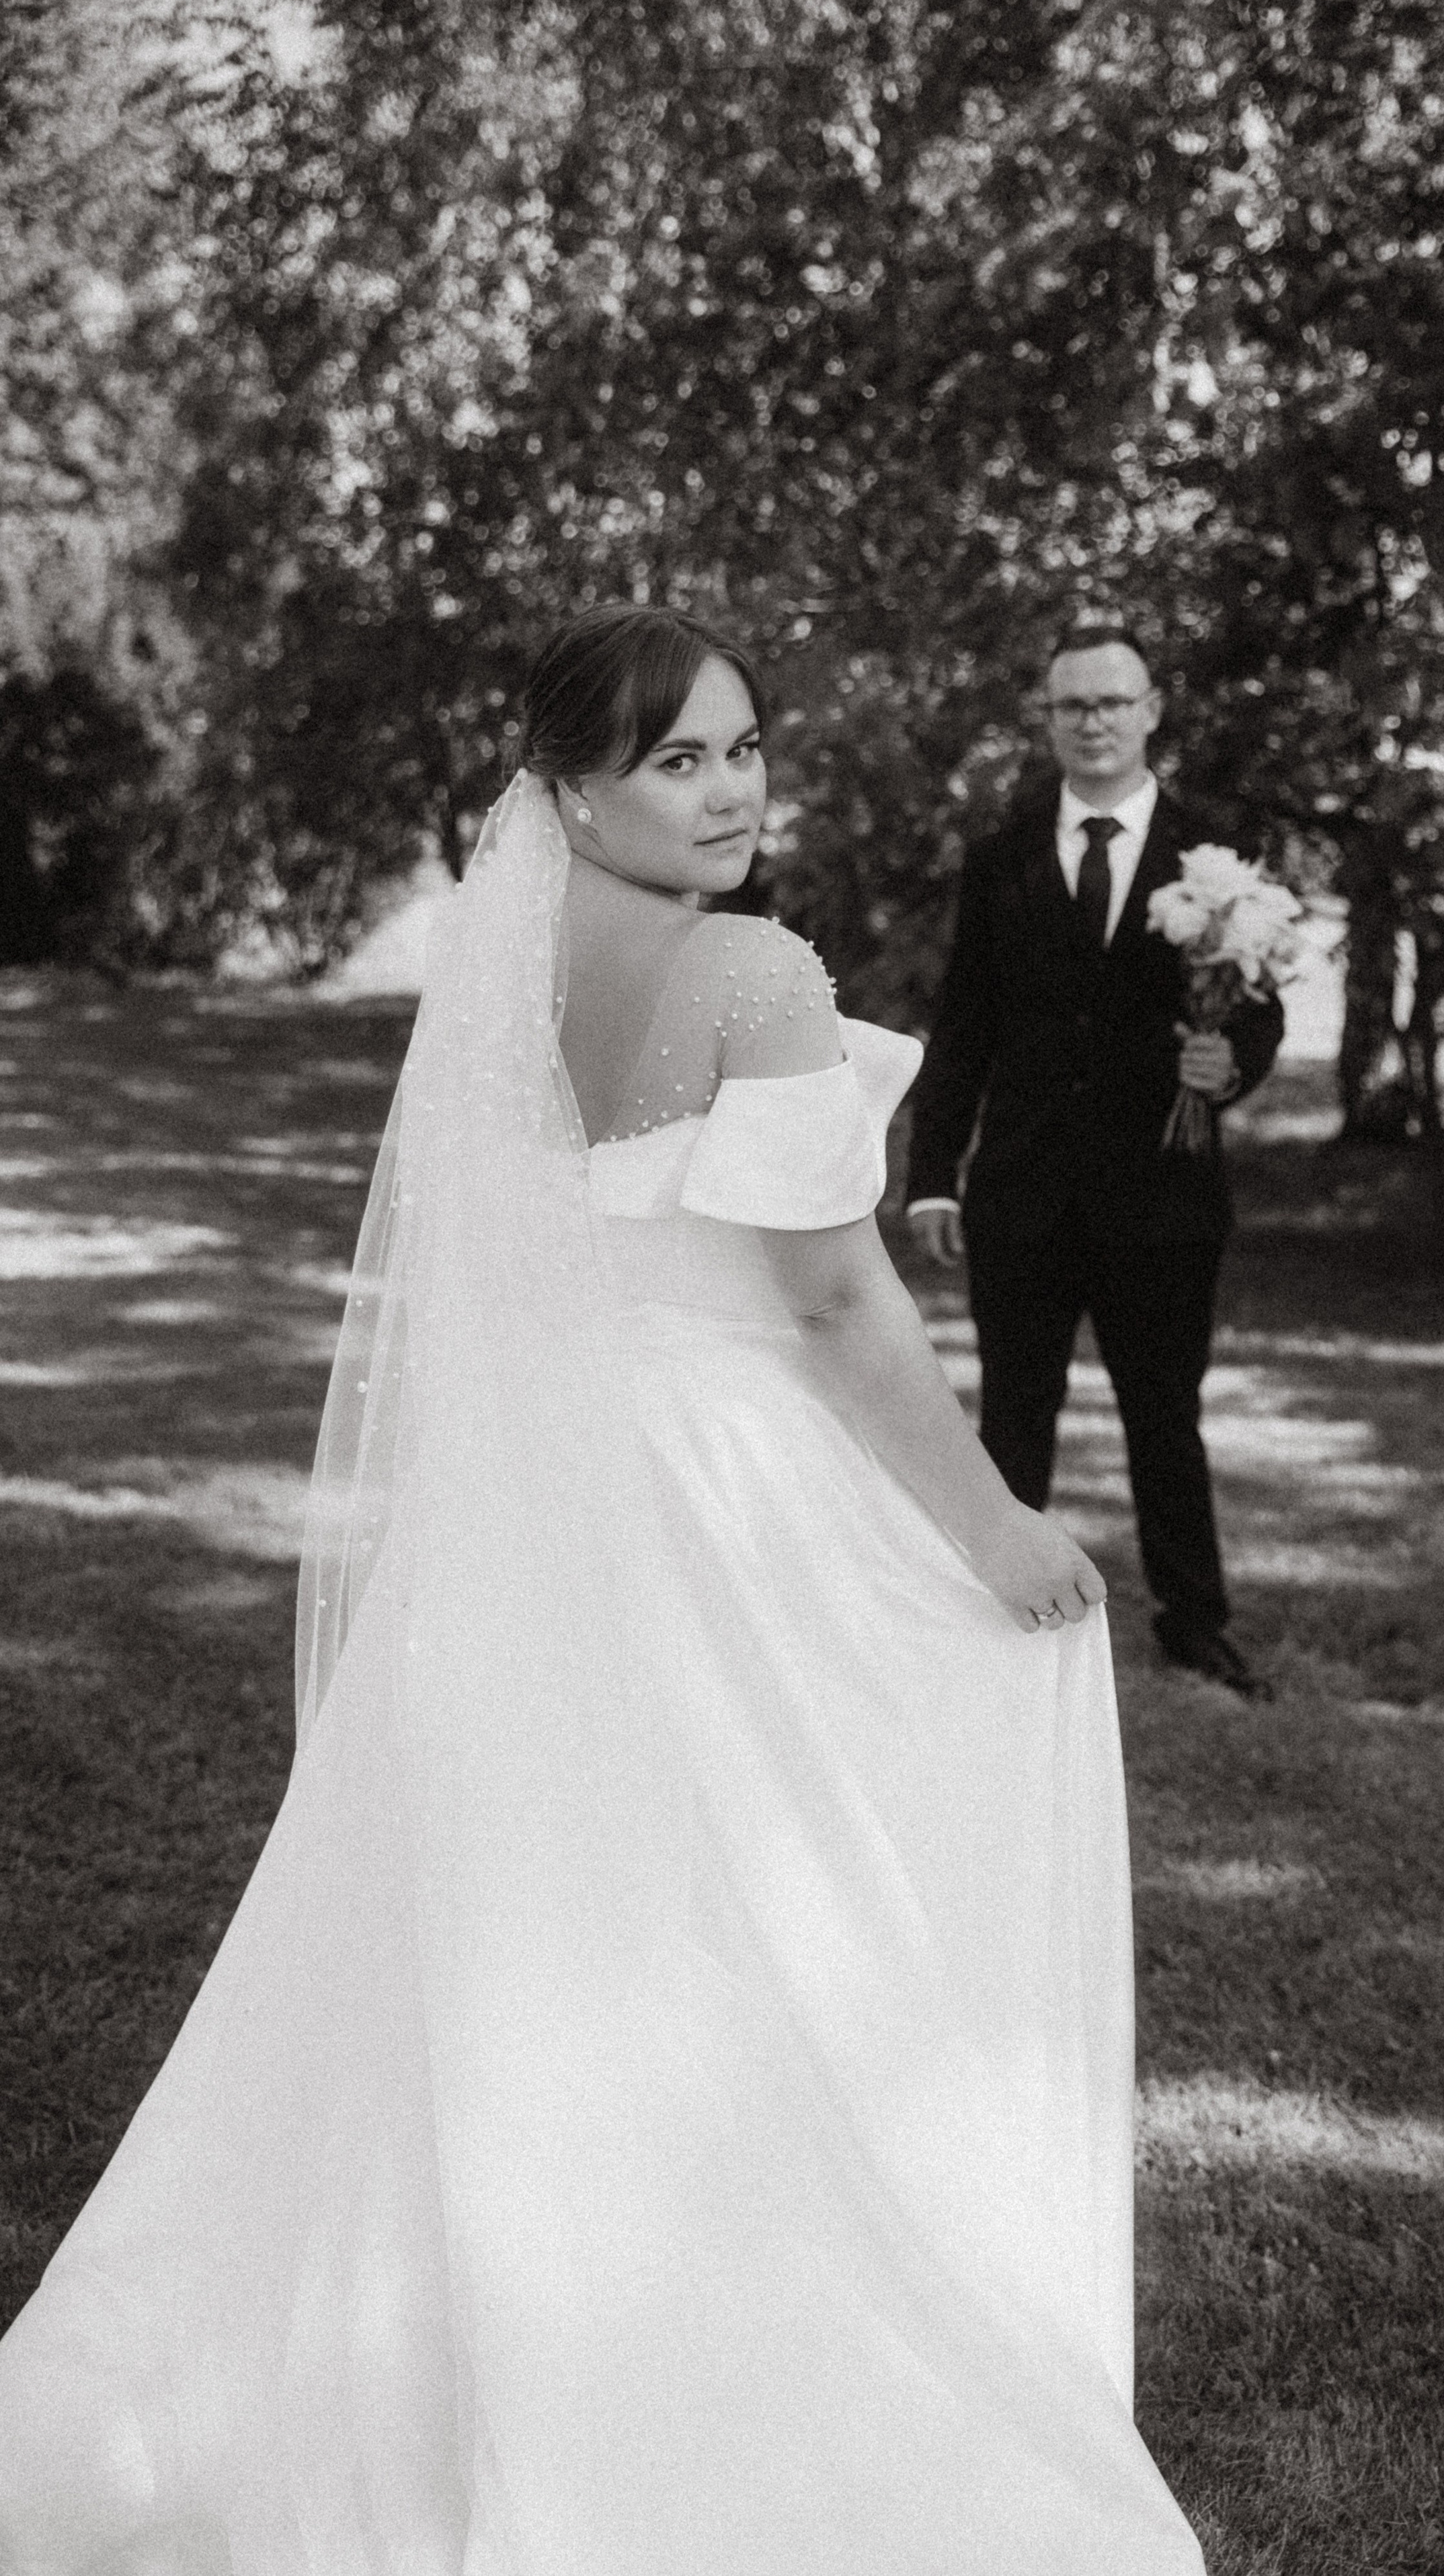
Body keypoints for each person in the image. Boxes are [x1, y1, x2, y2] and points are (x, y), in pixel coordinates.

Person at [0, 604, 1205, 2575]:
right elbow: (833, 1303)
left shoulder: (501, 964)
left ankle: (472, 2323)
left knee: (530, 1927)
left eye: (743, 749)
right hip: (728, 1483)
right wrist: (992, 1521)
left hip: (539, 1488)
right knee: (780, 1902)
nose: (729, 792)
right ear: (569, 789)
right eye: (676, 761)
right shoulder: (751, 970)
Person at [906, 624, 1284, 1702]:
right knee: (1013, 1420)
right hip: (1022, 1192)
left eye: (1113, 702)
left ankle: (1195, 1626)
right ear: (1049, 718)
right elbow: (964, 1025)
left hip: (1163, 1199)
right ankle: (995, 1617)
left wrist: (1231, 1063)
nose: (1094, 722)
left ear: (1152, 710)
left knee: (1165, 1419)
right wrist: (932, 1175)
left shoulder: (1218, 858)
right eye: (1073, 705)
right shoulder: (1004, 854)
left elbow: (1261, 1009)